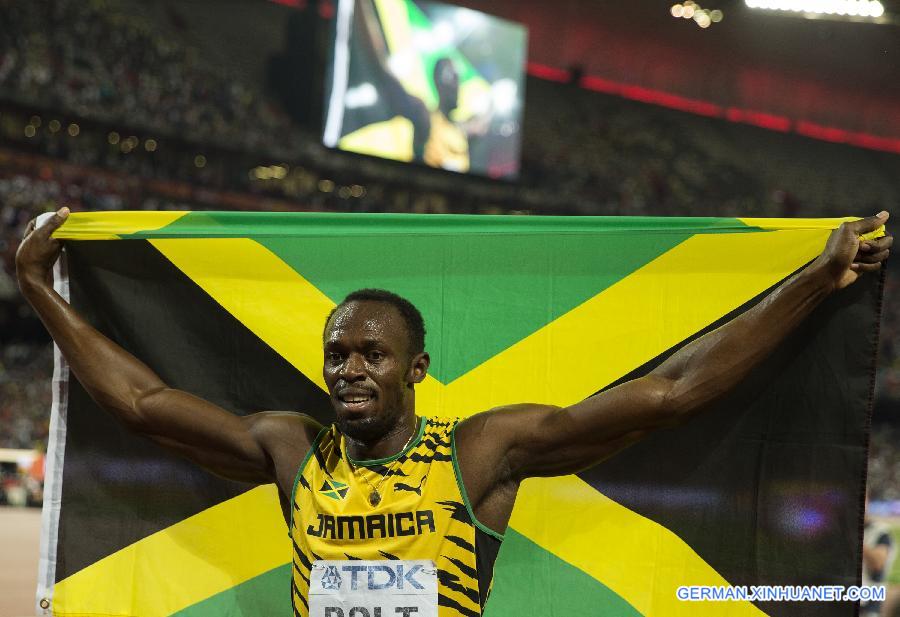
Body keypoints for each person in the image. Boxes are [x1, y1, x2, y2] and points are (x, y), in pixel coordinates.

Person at [15, 207, 892, 617]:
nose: (349, 368)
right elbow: (142, 403)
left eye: (372, 353)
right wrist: (36, 288)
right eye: (336, 354)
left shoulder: (478, 452)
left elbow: (668, 395)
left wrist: (811, 281)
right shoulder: (292, 449)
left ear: (418, 368)